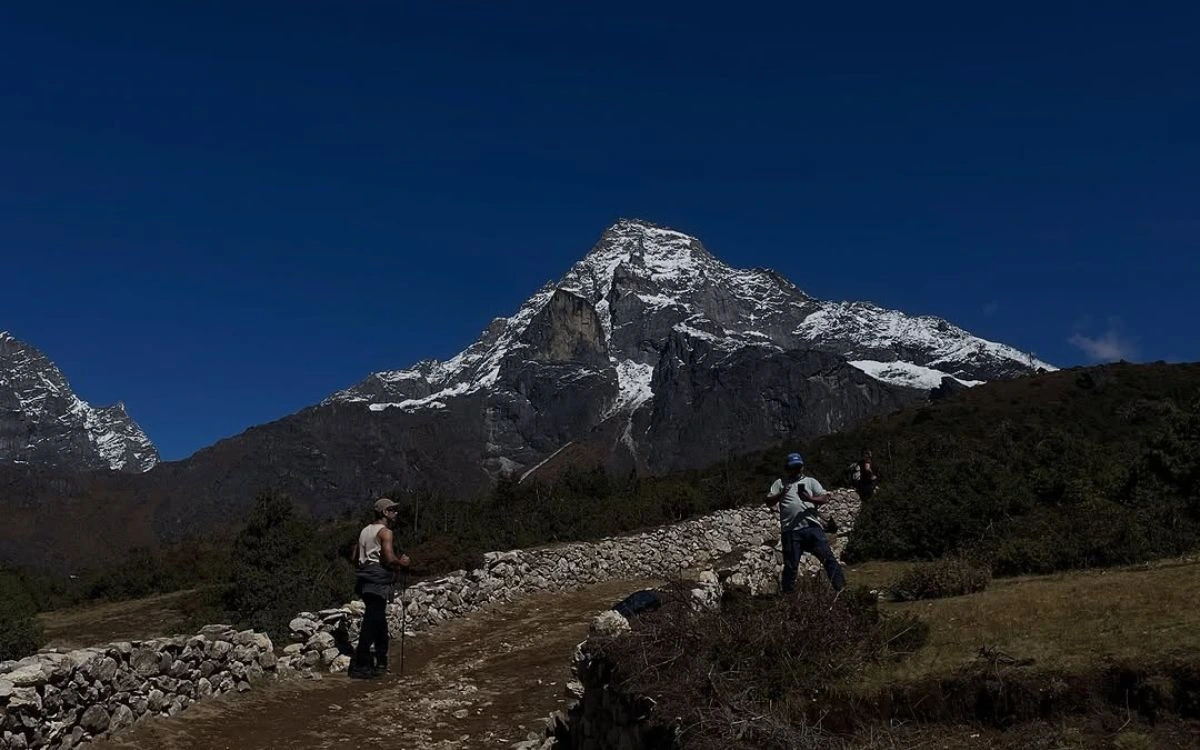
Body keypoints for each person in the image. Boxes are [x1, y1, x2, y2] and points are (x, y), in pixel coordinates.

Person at [349, 497, 410, 679]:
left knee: (378, 619)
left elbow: (354, 556)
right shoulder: (386, 533)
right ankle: (361, 664)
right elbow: (390, 558)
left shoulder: (364, 531)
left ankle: (380, 661)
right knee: (372, 620)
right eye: (392, 510)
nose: (395, 513)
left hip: (364, 578)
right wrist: (403, 562)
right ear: (385, 512)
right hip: (378, 579)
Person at [766, 453, 846, 593]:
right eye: (793, 467)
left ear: (802, 467)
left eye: (798, 467)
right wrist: (781, 494)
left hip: (812, 527)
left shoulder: (810, 482)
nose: (797, 470)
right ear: (787, 468)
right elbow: (769, 501)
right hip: (791, 530)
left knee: (828, 559)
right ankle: (789, 597)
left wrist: (809, 499)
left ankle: (841, 590)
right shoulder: (780, 483)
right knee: (791, 566)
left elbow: (824, 498)